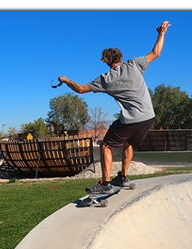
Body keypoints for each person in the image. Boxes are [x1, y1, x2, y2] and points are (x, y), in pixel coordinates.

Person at [58, 21, 170, 197]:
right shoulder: (134, 65)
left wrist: (66, 80)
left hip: (131, 119)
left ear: (107, 63)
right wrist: (161, 33)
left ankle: (106, 183)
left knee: (106, 145)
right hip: (149, 116)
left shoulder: (105, 79)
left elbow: (80, 89)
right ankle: (123, 177)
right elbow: (156, 53)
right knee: (129, 143)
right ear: (121, 58)